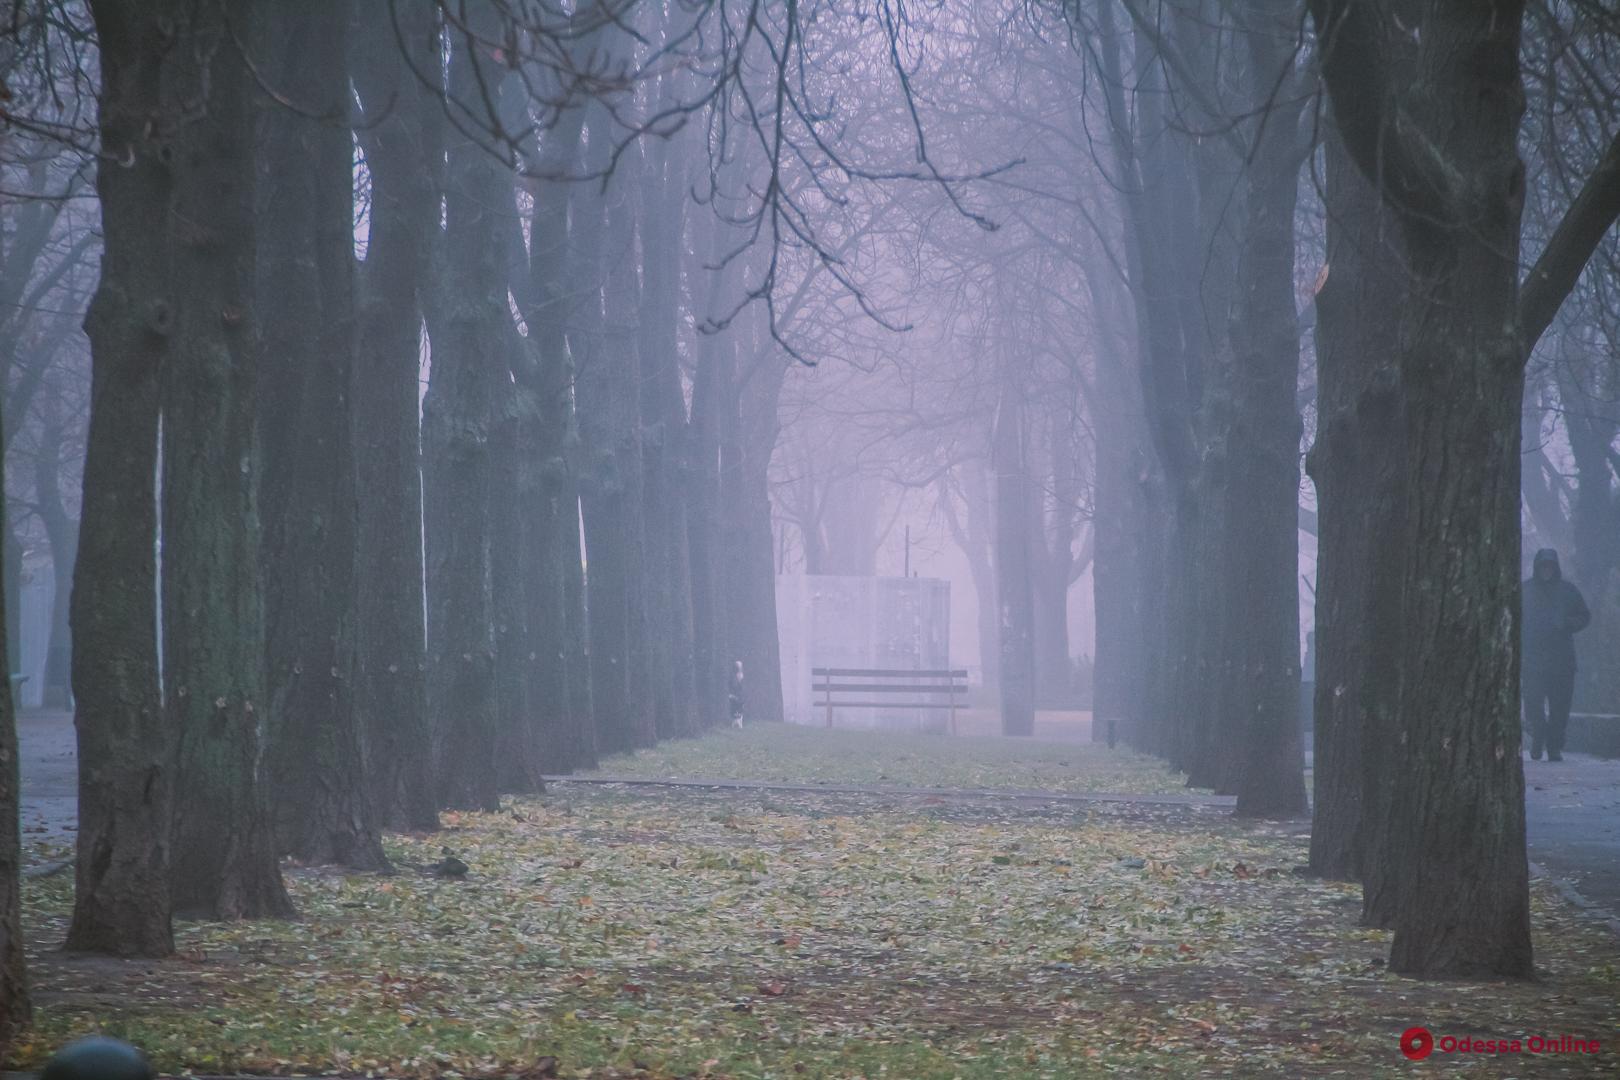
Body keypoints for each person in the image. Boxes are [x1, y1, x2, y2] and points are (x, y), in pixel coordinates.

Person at [1522, 548, 1590, 761]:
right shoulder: (1525, 590)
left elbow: (1584, 616)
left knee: (1560, 709)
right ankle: (1538, 735)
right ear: (1537, 566)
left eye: (1550, 566)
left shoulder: (1568, 591)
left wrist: (1567, 624)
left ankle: (1554, 747)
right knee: (1533, 703)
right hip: (1533, 660)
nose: (1546, 570)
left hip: (1562, 662)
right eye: (1543, 566)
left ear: (1555, 567)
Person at [728, 659, 745, 729]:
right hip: (734, 695)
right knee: (734, 708)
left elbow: (742, 687)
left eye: (740, 666)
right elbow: (732, 686)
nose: (740, 667)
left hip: (739, 695)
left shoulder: (742, 675)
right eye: (738, 666)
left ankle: (739, 724)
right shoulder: (732, 676)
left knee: (740, 707)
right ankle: (734, 723)